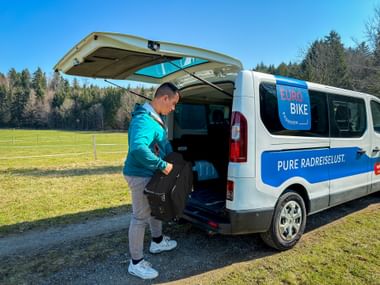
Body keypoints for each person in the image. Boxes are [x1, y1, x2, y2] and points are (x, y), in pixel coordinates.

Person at [123, 82, 180, 280]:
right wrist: (162, 165)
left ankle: (157, 242)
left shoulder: (155, 119)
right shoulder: (143, 121)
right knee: (140, 217)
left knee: (155, 209)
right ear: (164, 98)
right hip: (140, 174)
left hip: (150, 172)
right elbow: (138, 149)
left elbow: (163, 142)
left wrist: (174, 159)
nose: (173, 109)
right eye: (173, 104)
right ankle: (136, 263)